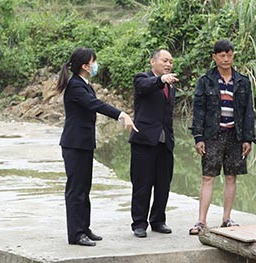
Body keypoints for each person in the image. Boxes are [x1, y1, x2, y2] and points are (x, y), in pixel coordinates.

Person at [58, 47, 136, 246]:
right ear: (85, 66)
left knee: (84, 187)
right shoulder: (75, 86)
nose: (95, 65)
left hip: (83, 143)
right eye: (94, 61)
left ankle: (84, 228)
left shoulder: (84, 84)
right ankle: (76, 234)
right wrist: (121, 114)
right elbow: (96, 105)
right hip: (74, 144)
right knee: (76, 189)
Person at [189, 39, 256, 234]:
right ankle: (201, 221)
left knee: (231, 177)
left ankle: (226, 219)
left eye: (229, 54)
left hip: (234, 135)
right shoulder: (206, 81)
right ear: (214, 57)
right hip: (212, 135)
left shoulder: (242, 81)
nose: (226, 58)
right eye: (221, 55)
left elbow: (248, 112)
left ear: (233, 55)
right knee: (208, 177)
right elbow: (199, 110)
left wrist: (247, 138)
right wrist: (198, 137)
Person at [129, 49, 178, 238]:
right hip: (144, 141)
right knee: (142, 184)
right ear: (153, 62)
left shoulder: (170, 86)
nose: (168, 64)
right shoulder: (142, 79)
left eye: (171, 62)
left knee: (163, 184)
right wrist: (161, 80)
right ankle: (139, 223)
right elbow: (145, 86)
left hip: (165, 142)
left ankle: (158, 220)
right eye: (165, 60)